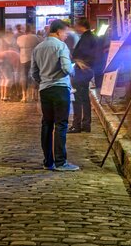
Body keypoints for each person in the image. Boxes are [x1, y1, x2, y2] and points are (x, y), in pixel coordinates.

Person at [30, 19, 80, 171]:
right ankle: (60, 162)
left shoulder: (38, 48)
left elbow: (33, 72)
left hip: (45, 89)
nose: (66, 36)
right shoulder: (61, 46)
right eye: (65, 33)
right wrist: (73, 70)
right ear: (58, 31)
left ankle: (48, 161)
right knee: (61, 124)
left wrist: (44, 81)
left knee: (47, 124)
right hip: (60, 88)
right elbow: (66, 68)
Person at [70, 18, 98, 133]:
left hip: (82, 71)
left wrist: (79, 61)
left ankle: (77, 125)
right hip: (87, 70)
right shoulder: (91, 37)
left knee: (77, 98)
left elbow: (80, 53)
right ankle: (86, 124)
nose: (75, 28)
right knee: (85, 98)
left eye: (76, 25)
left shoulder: (86, 38)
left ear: (81, 26)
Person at [17, 25, 40, 102]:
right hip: (33, 58)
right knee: (34, 76)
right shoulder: (35, 37)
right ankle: (34, 95)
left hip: (23, 58)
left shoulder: (19, 38)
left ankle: (24, 96)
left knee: (24, 77)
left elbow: (17, 47)